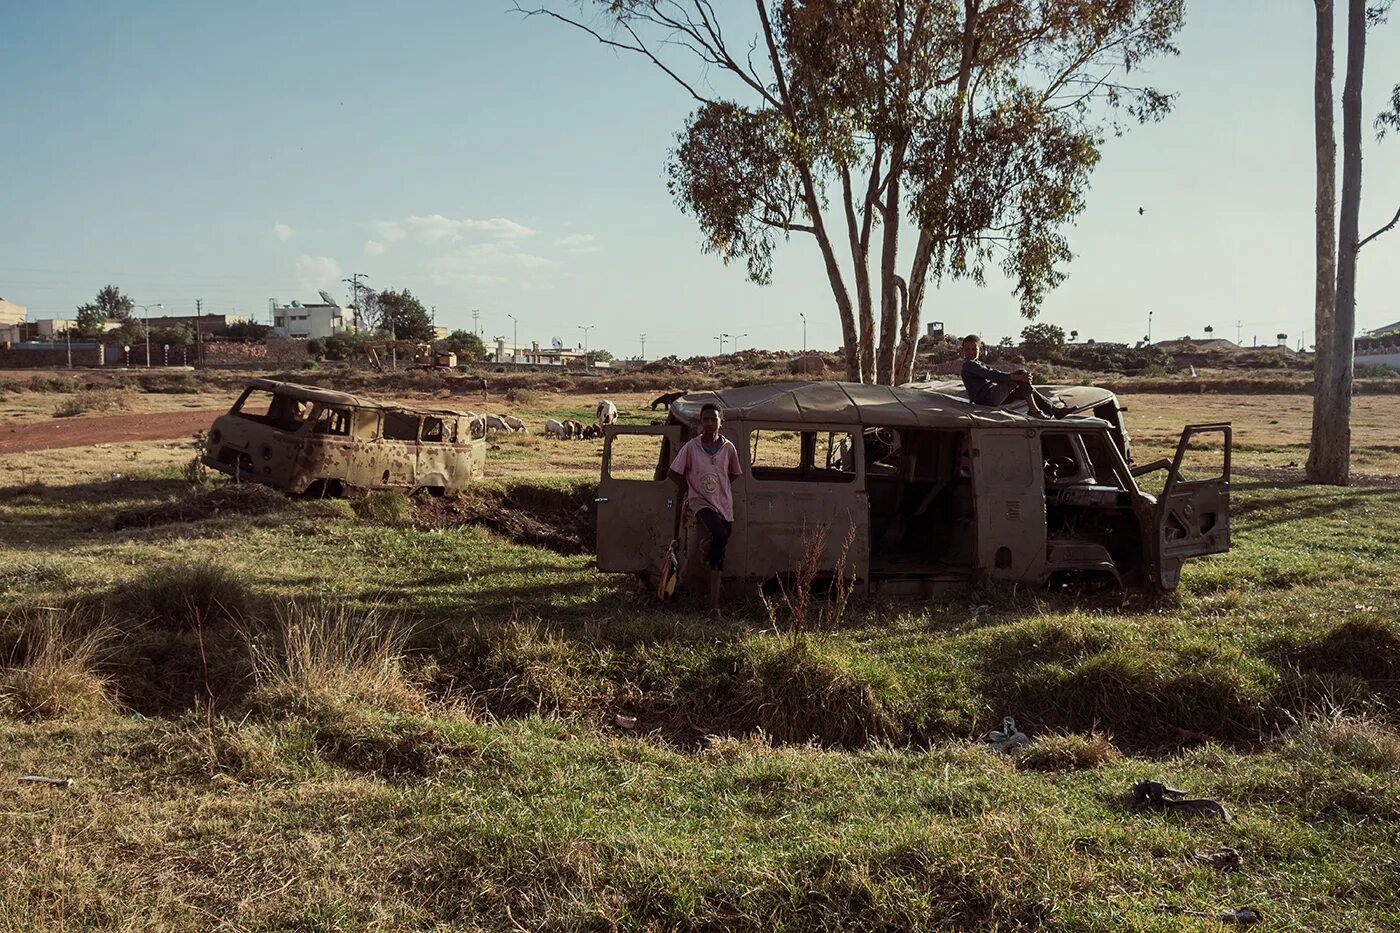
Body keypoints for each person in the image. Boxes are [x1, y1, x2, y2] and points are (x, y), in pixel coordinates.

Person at [668, 402, 743, 617]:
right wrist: (689, 490)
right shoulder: (692, 447)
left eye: (714, 419)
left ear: (721, 422)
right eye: (706, 419)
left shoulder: (728, 448)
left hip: (723, 503)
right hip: (700, 501)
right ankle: (707, 545)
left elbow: (734, 473)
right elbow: (675, 471)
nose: (709, 423)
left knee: (720, 551)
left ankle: (714, 605)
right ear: (701, 422)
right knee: (719, 534)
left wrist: (722, 487)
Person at [959, 335, 1065, 418]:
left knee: (1026, 389)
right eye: (967, 350)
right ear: (963, 350)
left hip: (991, 395)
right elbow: (993, 375)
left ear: (979, 350)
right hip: (986, 398)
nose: (971, 352)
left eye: (974, 349)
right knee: (1020, 373)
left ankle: (1055, 411)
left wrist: (1020, 379)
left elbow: (994, 372)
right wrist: (1017, 377)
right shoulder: (969, 365)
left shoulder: (979, 364)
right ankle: (1035, 410)